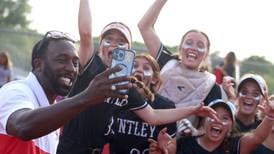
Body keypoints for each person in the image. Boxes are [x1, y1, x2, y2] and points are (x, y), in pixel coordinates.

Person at [57, 0, 218, 153]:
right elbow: (85, 33)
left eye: (121, 41)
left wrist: (194, 109)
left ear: (129, 50)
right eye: (108, 39)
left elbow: (153, 116)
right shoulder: (90, 67)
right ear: (100, 46)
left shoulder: (125, 84)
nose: (114, 44)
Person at [0, 30, 133, 154]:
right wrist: (86, 97)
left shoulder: (52, 113)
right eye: (61, 60)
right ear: (38, 65)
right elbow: (23, 127)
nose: (71, 68)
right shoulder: (16, 90)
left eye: (75, 63)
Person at [138, 0, 222, 132]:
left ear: (206, 54)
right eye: (189, 43)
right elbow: (144, 26)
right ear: (180, 47)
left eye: (200, 46)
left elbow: (215, 125)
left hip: (180, 145)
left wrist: (196, 133)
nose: (193, 48)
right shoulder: (166, 62)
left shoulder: (212, 86)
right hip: (147, 134)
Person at [105, 53, 177, 154]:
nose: (139, 70)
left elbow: (172, 146)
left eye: (146, 68)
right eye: (134, 66)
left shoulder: (166, 106)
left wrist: (163, 149)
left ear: (154, 79)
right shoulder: (116, 100)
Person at [149, 99, 274, 154]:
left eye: (225, 118)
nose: (217, 120)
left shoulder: (235, 147)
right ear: (203, 122)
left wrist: (269, 117)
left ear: (231, 127)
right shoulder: (183, 143)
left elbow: (257, 137)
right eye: (212, 115)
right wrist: (159, 151)